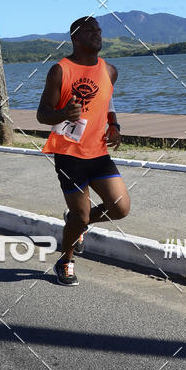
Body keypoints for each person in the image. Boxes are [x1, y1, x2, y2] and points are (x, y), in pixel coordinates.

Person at [37, 16, 130, 286]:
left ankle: (76, 224)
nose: (97, 33)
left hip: (99, 152)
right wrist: (62, 113)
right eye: (90, 30)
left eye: (99, 29)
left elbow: (107, 99)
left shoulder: (109, 70)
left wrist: (114, 125)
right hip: (69, 153)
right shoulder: (60, 70)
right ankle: (66, 260)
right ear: (75, 37)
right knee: (82, 214)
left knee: (120, 207)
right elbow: (42, 114)